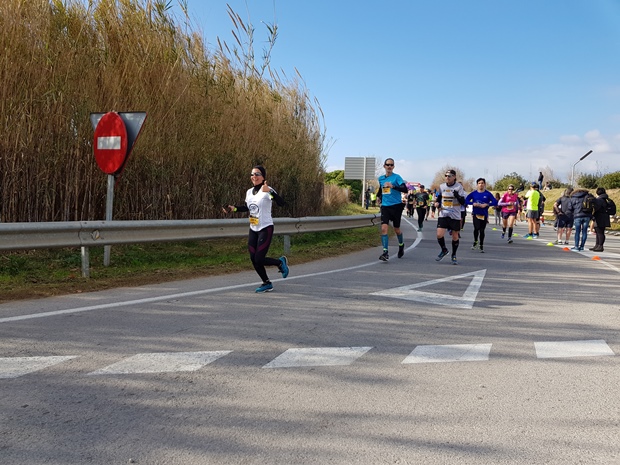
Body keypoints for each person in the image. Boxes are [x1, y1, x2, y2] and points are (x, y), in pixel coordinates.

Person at [223, 165, 289, 293]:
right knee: (253, 258)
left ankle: (280, 263)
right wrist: (233, 208)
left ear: (263, 176)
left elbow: (281, 203)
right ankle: (266, 283)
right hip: (253, 228)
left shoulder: (267, 190)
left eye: (257, 174)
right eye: (252, 174)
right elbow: (248, 207)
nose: (254, 176)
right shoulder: (249, 192)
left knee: (259, 258)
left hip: (265, 227)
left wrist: (269, 192)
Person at [377, 158, 408, 261]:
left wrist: (393, 186)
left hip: (396, 206)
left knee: (396, 229)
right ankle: (385, 252)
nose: (389, 166)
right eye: (387, 165)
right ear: (384, 166)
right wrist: (378, 197)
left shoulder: (397, 177)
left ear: (393, 167)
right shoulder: (381, 178)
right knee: (384, 229)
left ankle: (401, 245)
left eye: (391, 165)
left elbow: (405, 189)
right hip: (385, 206)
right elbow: (380, 190)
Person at [434, 169, 467, 265]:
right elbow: (439, 196)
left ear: (454, 177)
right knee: (439, 234)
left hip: (455, 214)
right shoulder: (442, 186)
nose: (447, 177)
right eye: (446, 176)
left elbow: (463, 202)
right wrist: (437, 202)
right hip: (444, 213)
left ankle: (454, 254)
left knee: (455, 236)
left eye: (449, 176)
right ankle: (444, 250)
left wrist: (457, 195)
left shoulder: (459, 187)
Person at [465, 178, 498, 253]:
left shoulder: (488, 194)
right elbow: (466, 201)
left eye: (482, 183)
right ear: (477, 185)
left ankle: (481, 245)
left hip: (484, 214)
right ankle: (475, 241)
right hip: (476, 213)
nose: (481, 184)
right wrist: (473, 203)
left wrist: (487, 204)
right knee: (476, 228)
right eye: (479, 183)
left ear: (485, 184)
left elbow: (495, 202)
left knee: (482, 230)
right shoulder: (473, 193)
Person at [590, 187, 611, 252]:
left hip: (600, 217)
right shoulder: (606, 199)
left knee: (600, 232)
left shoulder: (600, 200)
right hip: (604, 217)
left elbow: (596, 208)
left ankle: (600, 246)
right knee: (598, 232)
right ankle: (597, 245)